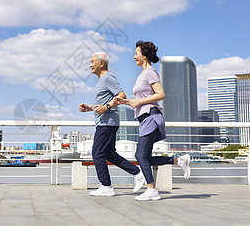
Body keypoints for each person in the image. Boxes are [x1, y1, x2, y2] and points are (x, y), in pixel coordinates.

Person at [114, 41, 191, 201]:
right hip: (145, 119)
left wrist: (139, 102)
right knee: (145, 157)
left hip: (151, 117)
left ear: (144, 55)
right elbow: (139, 100)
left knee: (140, 155)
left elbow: (160, 94)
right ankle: (179, 160)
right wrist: (123, 102)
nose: (134, 56)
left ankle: (152, 189)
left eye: (136, 53)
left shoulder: (150, 72)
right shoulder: (142, 74)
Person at [79, 52, 145, 197]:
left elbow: (122, 96)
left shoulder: (108, 78)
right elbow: (102, 104)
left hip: (107, 123)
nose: (90, 65)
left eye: (92, 61)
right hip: (105, 122)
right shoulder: (101, 80)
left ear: (101, 63)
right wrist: (90, 108)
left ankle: (106, 186)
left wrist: (107, 107)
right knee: (109, 154)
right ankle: (137, 173)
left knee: (97, 153)